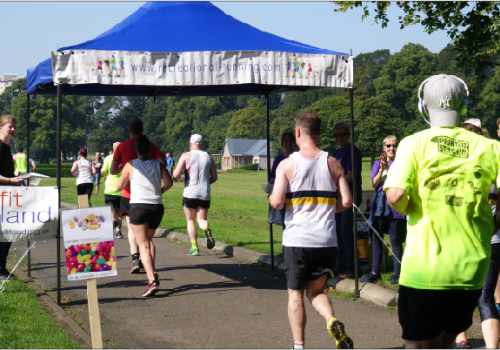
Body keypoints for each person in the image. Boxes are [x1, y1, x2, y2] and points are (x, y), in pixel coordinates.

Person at [384, 74, 500, 348]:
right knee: (447, 339)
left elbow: (395, 193)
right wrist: (496, 220)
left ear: (424, 107)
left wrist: (411, 207)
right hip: (470, 269)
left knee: (419, 344)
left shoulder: (413, 143)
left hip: (424, 270)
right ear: (463, 105)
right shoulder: (491, 147)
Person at [269, 112, 353, 349]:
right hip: (326, 240)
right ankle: (331, 319)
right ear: (319, 132)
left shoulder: (287, 164)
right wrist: (325, 209)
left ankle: (299, 346)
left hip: (298, 239)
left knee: (295, 294)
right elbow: (346, 201)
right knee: (317, 291)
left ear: (298, 132)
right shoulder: (333, 162)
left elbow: (276, 202)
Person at [455, 119, 499, 349]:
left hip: (464, 239)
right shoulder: (493, 165)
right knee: (485, 296)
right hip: (493, 238)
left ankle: (460, 337)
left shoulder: (458, 168)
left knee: (458, 290)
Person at [118, 136, 173, 297]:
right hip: (156, 206)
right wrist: (159, 191)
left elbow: (119, 185)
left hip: (138, 206)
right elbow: (169, 183)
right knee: (148, 241)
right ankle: (153, 271)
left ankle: (152, 281)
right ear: (150, 149)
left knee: (142, 245)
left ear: (136, 150)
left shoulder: (131, 165)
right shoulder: (159, 164)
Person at [112, 118, 164, 273]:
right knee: (147, 237)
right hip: (149, 194)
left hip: (129, 194)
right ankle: (147, 263)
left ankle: (135, 257)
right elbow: (162, 162)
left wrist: (125, 167)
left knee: (131, 229)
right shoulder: (150, 146)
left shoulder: (122, 147)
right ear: (143, 129)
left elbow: (113, 170)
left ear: (130, 130)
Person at [360, 135, 406, 285]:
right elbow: (374, 183)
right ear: (384, 149)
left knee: (395, 241)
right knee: (376, 239)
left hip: (396, 208)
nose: (392, 148)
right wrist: (382, 169)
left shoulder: (403, 163)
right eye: (388, 146)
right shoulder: (377, 163)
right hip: (379, 207)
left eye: (394, 145)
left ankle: (397, 273)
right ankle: (375, 272)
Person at [173, 134, 217, 256]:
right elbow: (214, 177)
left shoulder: (186, 155)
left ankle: (194, 247)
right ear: (201, 143)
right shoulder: (208, 156)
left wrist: (178, 178)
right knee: (202, 219)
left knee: (190, 220)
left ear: (191, 143)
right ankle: (207, 230)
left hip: (190, 192)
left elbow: (175, 175)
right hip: (204, 192)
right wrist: (206, 183)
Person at [332, 122, 362, 280]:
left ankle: (350, 268)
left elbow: (352, 175)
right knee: (336, 233)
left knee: (345, 232)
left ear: (348, 135)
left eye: (342, 135)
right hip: (337, 199)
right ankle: (340, 265)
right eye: (336, 135)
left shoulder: (353, 152)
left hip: (349, 198)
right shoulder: (336, 153)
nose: (339, 138)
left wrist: (337, 180)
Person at [0, 115, 24, 280]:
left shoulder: (6, 147)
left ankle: (2, 267)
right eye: (10, 126)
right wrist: (10, 180)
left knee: (8, 232)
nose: (13, 129)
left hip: (8, 194)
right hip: (2, 193)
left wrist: (15, 178)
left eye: (15, 126)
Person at [268, 131, 296, 226]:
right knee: (284, 221)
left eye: (289, 141)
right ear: (282, 143)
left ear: (293, 142)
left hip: (294, 195)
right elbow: (272, 177)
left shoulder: (297, 158)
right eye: (285, 141)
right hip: (281, 194)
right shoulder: (279, 158)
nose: (287, 143)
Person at [102, 142, 123, 239]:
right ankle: (118, 231)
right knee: (119, 213)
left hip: (109, 189)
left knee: (110, 211)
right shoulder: (125, 158)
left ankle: (113, 222)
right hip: (121, 189)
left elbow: (103, 172)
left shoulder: (107, 158)